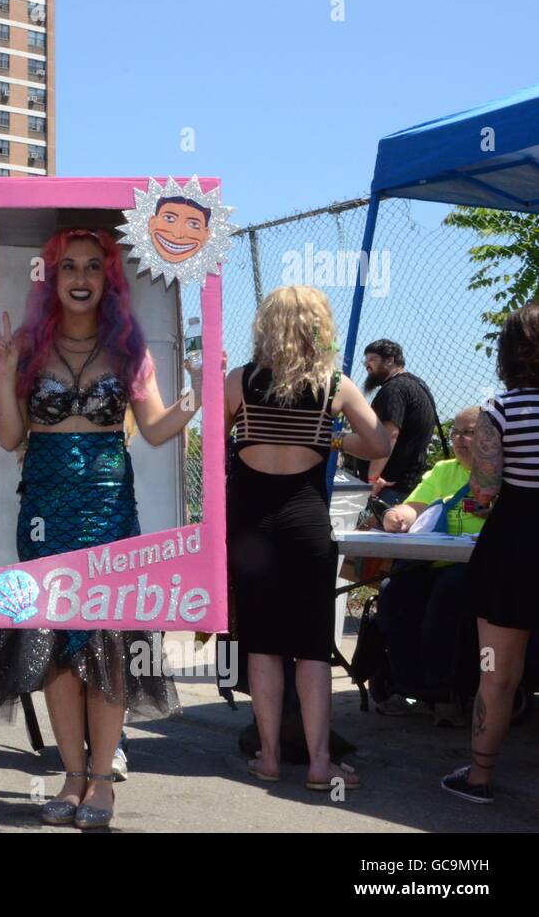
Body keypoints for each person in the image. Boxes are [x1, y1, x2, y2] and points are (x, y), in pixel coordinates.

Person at [0, 227, 198, 830]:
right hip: (43, 512)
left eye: (92, 267)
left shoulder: (129, 350)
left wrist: (191, 407)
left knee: (108, 645)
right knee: (55, 648)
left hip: (108, 512)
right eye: (68, 265)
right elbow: (11, 437)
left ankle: (102, 782)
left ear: (108, 280)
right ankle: (70, 776)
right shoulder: (27, 345)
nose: (79, 276)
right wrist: (4, 372)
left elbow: (152, 430)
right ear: (52, 276)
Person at [226, 285, 389, 791]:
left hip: (250, 524)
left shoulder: (240, 381)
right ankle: (320, 763)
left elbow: (213, 445)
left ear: (266, 324)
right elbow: (379, 441)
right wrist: (331, 435)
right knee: (313, 647)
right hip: (305, 520)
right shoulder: (334, 386)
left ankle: (270, 757)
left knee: (263, 645)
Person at [442, 303, 539, 805]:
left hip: (514, 546)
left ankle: (478, 777)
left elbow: (482, 492)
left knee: (496, 674)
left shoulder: (497, 412)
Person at [376, 406, 485, 726]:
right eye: (456, 433)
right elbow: (414, 507)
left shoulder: (506, 473)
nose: (461, 440)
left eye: (470, 432)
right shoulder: (443, 470)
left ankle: (445, 691)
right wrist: (396, 516)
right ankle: (410, 687)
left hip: (481, 568)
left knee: (447, 594)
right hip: (434, 561)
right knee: (394, 591)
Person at [360, 339, 438, 506]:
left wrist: (373, 478)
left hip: (389, 486)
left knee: (372, 531)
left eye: (372, 360)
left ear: (390, 360)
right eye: (365, 361)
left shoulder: (394, 389)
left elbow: (389, 435)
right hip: (407, 484)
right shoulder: (417, 384)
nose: (367, 366)